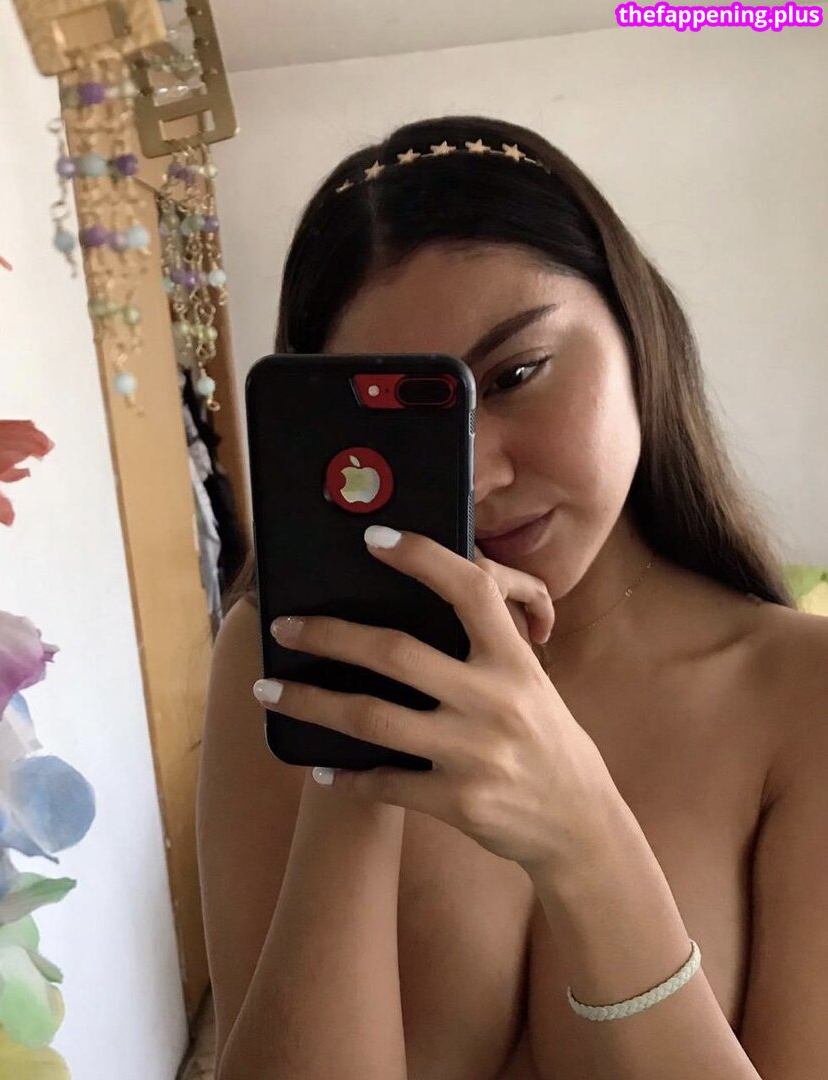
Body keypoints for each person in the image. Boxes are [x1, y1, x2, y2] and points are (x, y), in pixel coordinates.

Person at [196, 115, 827, 1080]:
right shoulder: (278, 654)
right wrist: (353, 762)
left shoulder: (799, 690)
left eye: (517, 374)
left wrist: (585, 842)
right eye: (408, 426)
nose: (477, 475)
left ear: (636, 331)